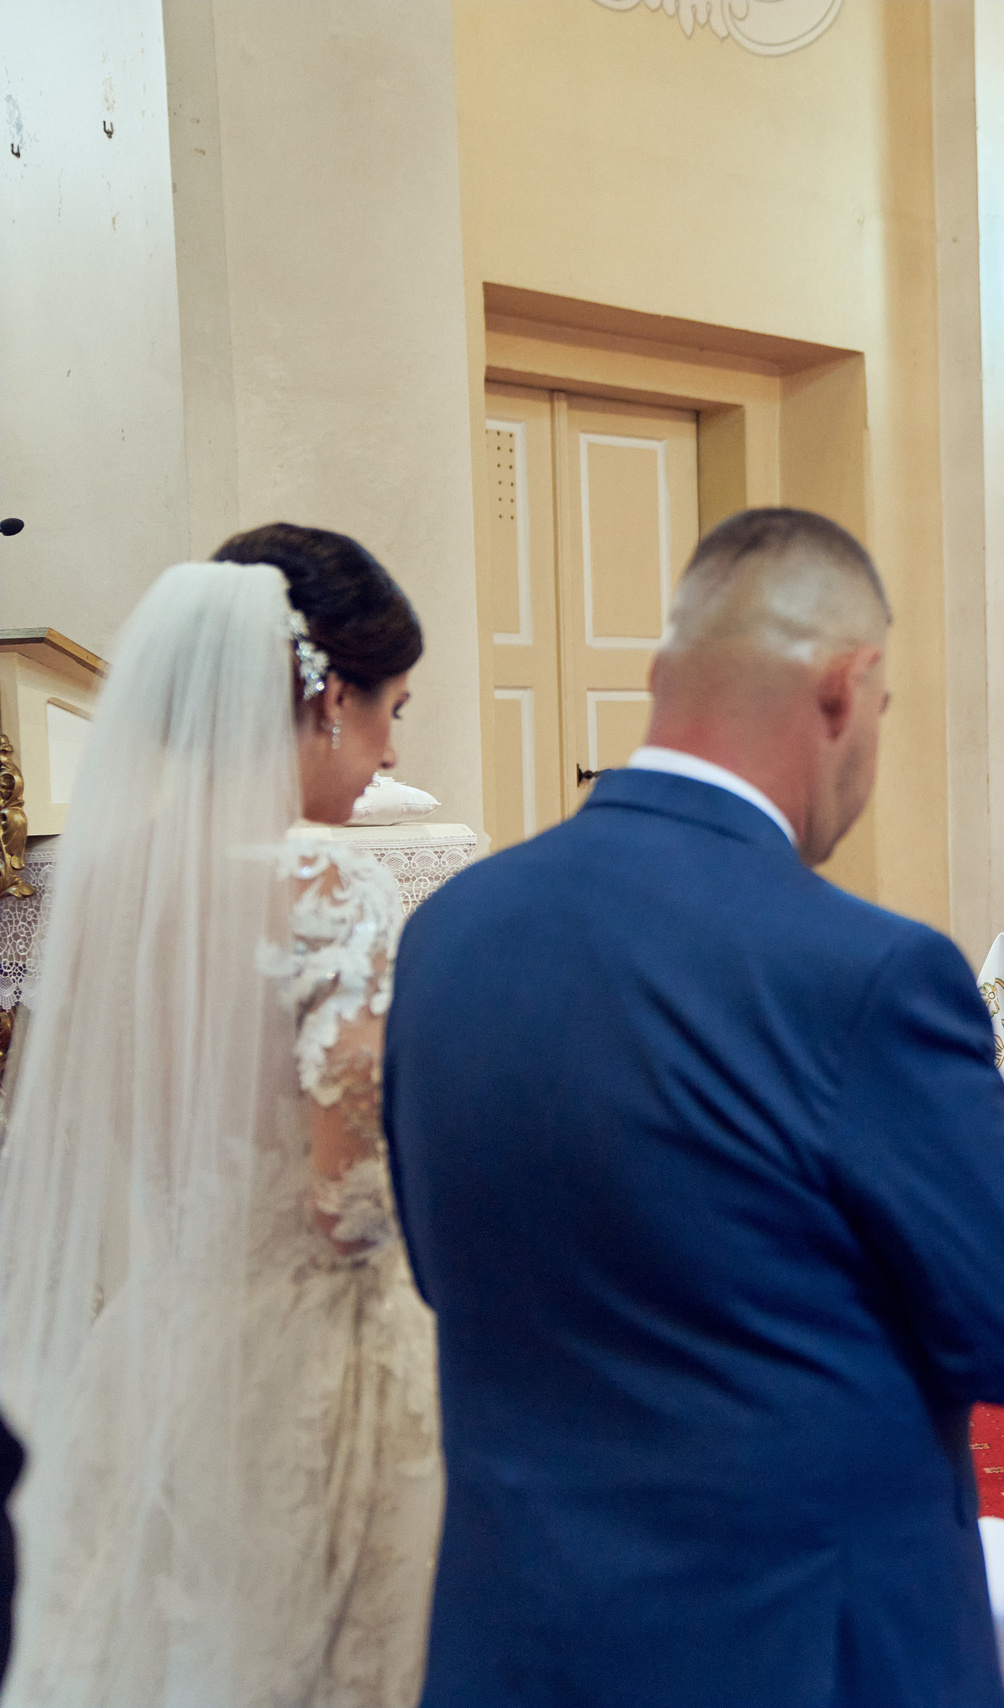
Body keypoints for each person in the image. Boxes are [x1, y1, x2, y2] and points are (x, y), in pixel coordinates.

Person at [384, 507, 1004, 1708]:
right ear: (843, 686)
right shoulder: (862, 974)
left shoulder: (452, 930)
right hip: (788, 1651)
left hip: (520, 1642)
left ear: (667, 677)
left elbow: (447, 1267)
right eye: (881, 714)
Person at [0, 527, 438, 1706]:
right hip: (319, 1359)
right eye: (393, 710)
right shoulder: (324, 881)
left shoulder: (112, 884)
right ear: (328, 696)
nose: (390, 752)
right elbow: (346, 1204)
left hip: (155, 1343)